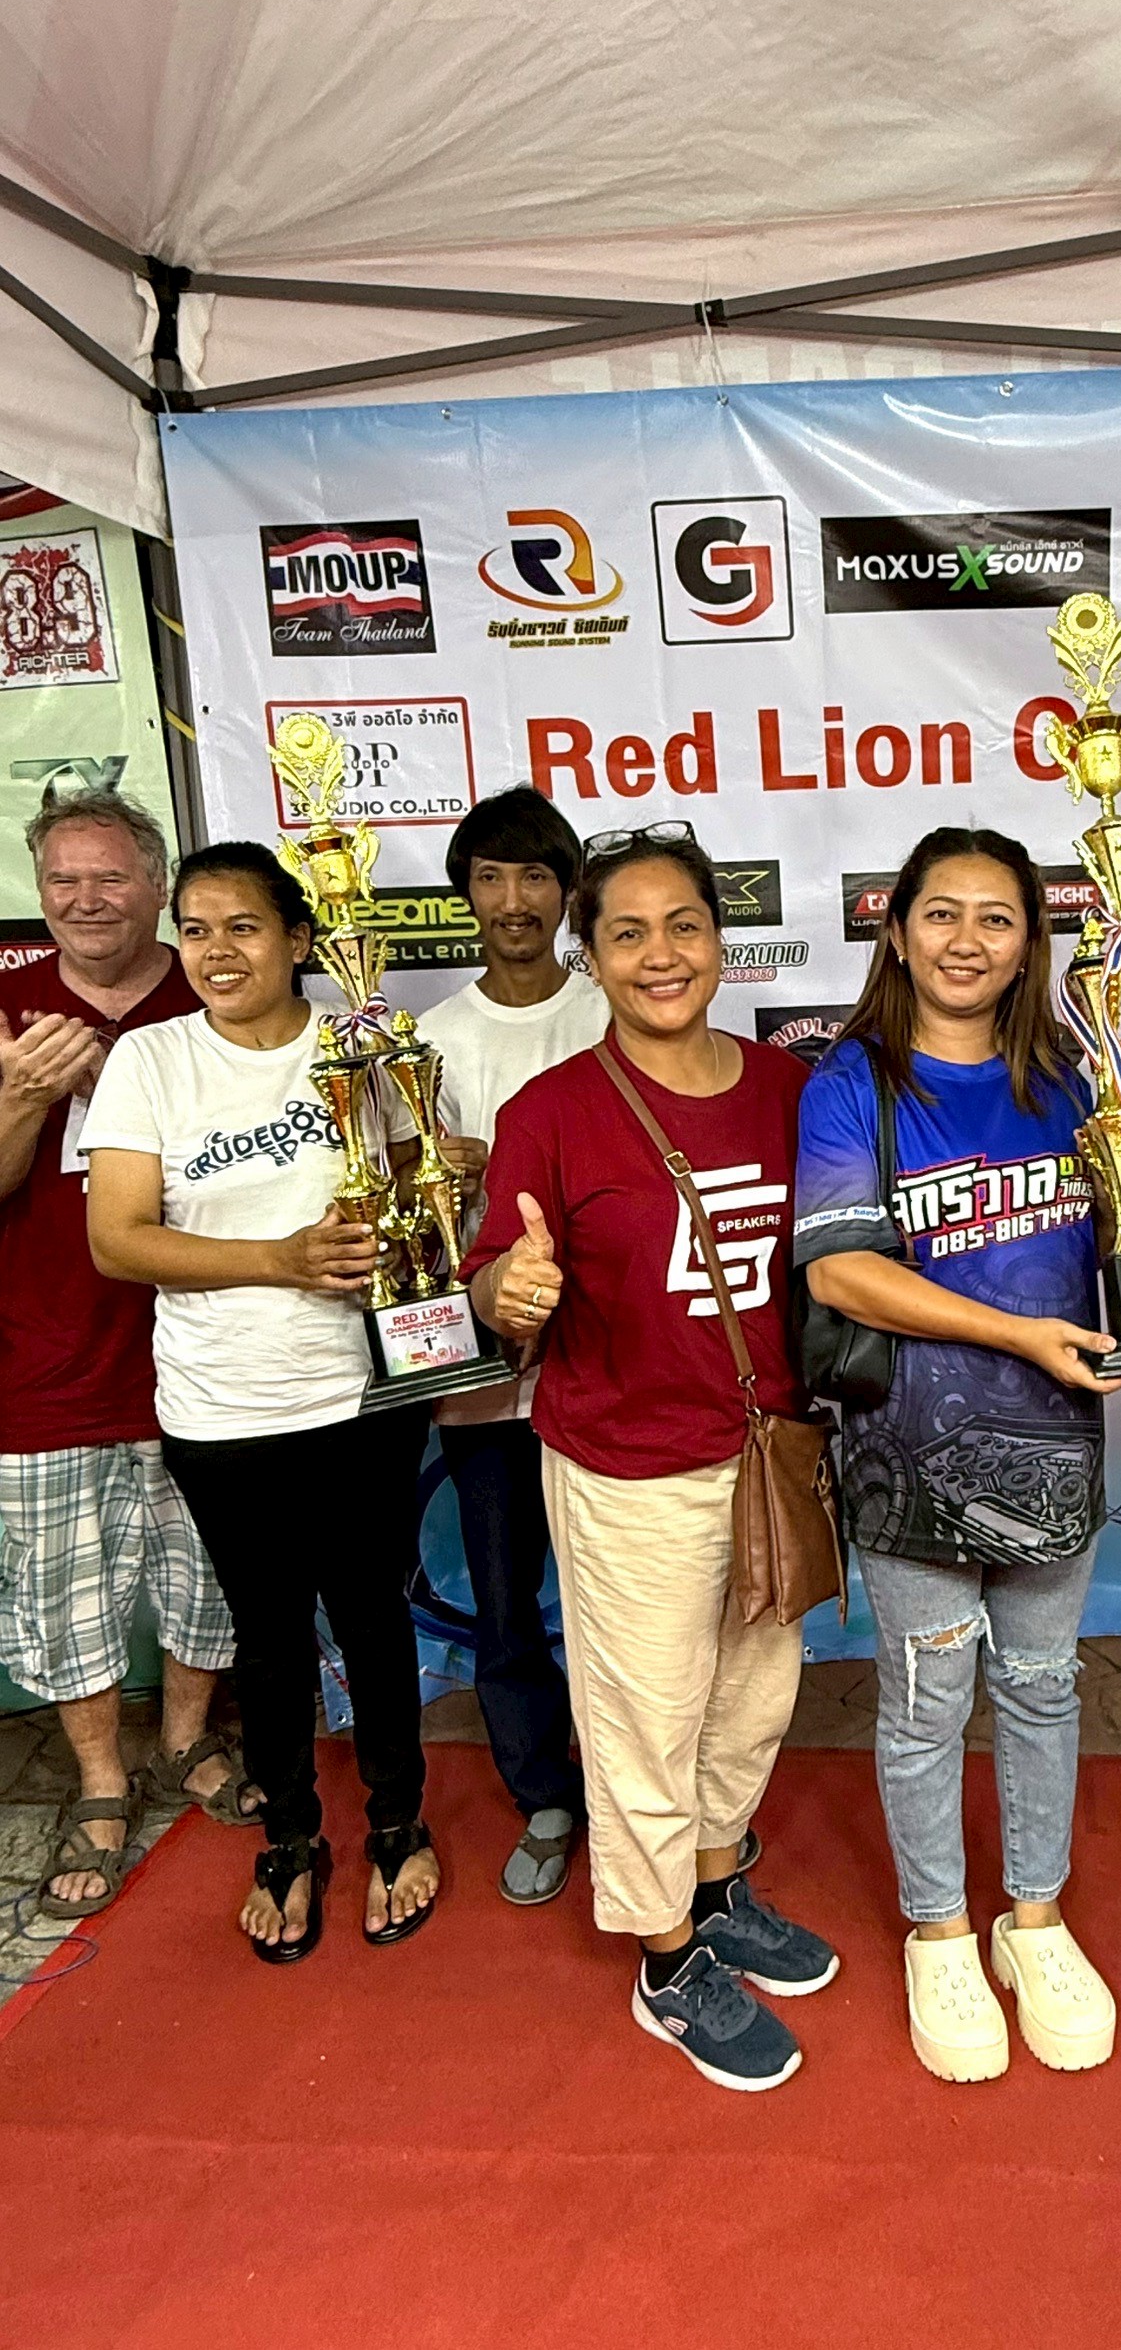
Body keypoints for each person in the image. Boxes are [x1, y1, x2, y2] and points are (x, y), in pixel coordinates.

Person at [465, 823, 835, 2092]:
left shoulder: (790, 1092)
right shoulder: (551, 1114)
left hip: (770, 1456)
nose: (660, 953)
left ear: (721, 942)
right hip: (628, 1470)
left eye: (683, 925)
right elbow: (490, 1279)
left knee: (752, 1699)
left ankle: (718, 1888)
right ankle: (666, 1955)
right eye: (626, 933)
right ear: (591, 956)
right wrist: (508, 1291)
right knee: (645, 1721)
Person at [795, 827, 1121, 2086]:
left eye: (998, 918)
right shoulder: (854, 1082)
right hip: (910, 1453)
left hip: (1055, 1445)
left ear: (1030, 945)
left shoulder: (1067, 1079)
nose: (967, 940)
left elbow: (1120, 1233)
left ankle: (1032, 1918)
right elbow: (841, 1272)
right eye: (942, 913)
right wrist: (1016, 1334)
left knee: (1042, 1689)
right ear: (896, 931)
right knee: (929, 1705)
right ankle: (938, 1930)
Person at [83, 841, 441, 1962]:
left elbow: (410, 1198)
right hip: (223, 1411)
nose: (216, 952)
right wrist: (278, 1261)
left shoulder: (360, 1046)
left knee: (374, 1617)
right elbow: (117, 1239)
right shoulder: (152, 1059)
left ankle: (399, 1822)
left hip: (362, 1393)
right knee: (270, 1633)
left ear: (299, 938)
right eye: (194, 930)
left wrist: (442, 1179)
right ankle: (290, 1835)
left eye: (242, 926)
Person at [0, 792, 253, 1920]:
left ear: (158, 887)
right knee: (66, 1593)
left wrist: (140, 1095)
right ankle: (102, 1779)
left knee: (208, 1572)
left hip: (205, 1352)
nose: (86, 900)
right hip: (43, 1359)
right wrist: (24, 1095)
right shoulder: (8, 1010)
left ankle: (189, 1741)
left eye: (110, 877)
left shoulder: (215, 997)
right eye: (64, 880)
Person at [408, 786, 608, 1906]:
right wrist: (434, 1177)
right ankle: (543, 1793)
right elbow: (404, 1220)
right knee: (502, 1600)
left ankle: (642, 1792)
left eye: (536, 875)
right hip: (485, 1376)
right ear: (466, 895)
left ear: (568, 892)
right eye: (490, 876)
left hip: (610, 1365)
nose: (514, 899)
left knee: (626, 1598)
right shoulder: (429, 1041)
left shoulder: (612, 1011)